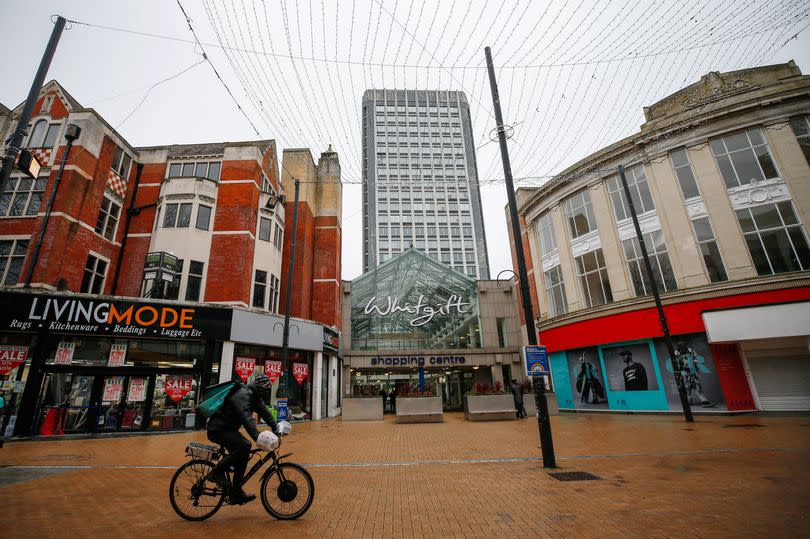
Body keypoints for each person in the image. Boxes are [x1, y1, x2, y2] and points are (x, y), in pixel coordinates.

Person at [206, 374, 279, 504]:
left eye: (267, 391)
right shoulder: (243, 395)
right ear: (257, 387)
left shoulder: (255, 396)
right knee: (245, 445)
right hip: (218, 430)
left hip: (229, 429)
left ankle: (236, 492)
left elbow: (264, 412)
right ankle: (215, 473)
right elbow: (247, 419)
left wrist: (276, 427)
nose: (265, 393)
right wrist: (259, 437)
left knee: (244, 453)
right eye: (263, 390)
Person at [675, 341, 715, 407]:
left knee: (697, 385)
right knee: (687, 387)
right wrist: (681, 372)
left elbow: (696, 358)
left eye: (684, 345)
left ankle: (704, 401)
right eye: (681, 346)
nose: (683, 347)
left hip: (693, 370)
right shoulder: (676, 353)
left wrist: (695, 362)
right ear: (679, 347)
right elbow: (676, 364)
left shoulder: (690, 350)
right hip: (683, 371)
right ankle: (689, 400)